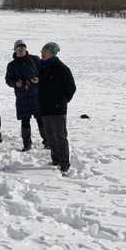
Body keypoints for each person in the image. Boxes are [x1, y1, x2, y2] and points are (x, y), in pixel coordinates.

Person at [38, 42, 76, 174]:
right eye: (42, 50)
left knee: (60, 136)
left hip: (58, 109)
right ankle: (55, 160)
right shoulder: (42, 67)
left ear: (52, 53)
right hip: (44, 108)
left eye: (45, 50)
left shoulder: (61, 68)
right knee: (50, 137)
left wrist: (62, 102)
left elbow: (71, 88)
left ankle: (64, 163)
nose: (42, 53)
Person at [5, 39, 47, 151]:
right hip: (22, 97)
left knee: (40, 119)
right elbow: (8, 80)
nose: (21, 49)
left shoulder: (34, 59)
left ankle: (47, 141)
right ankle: (27, 144)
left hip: (37, 95)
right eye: (18, 47)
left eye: (23, 47)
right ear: (14, 50)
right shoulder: (12, 65)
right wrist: (16, 83)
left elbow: (44, 73)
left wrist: (39, 79)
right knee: (25, 120)